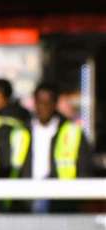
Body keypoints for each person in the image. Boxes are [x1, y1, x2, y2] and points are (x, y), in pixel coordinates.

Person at [28, 80, 92, 212]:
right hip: (27, 197)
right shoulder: (22, 131)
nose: (43, 107)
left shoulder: (72, 131)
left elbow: (84, 167)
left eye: (48, 103)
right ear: (34, 103)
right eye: (39, 102)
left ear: (55, 104)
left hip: (62, 199)